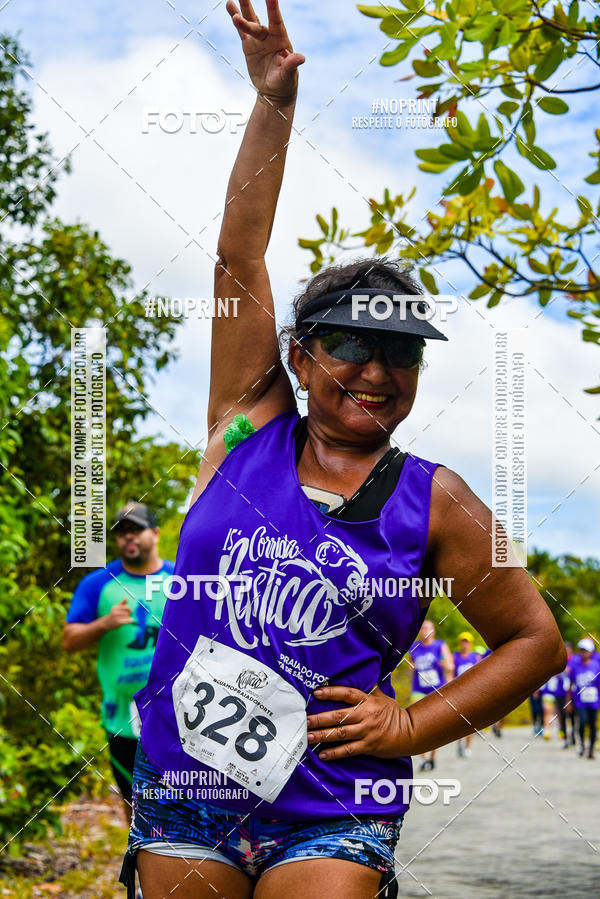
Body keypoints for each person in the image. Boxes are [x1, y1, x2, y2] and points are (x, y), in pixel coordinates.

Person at [118, 3, 566, 898]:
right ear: (299, 354)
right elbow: (237, 257)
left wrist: (411, 725)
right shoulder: (243, 423)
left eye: (401, 349)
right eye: (351, 344)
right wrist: (273, 103)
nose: (376, 369)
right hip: (187, 794)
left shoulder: (437, 500)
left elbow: (535, 640)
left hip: (333, 810)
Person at [63, 502, 173, 820]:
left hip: (176, 713)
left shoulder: (179, 579)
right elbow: (69, 641)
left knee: (185, 802)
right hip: (122, 720)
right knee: (135, 805)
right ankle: (139, 865)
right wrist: (103, 624)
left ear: (154, 533)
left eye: (136, 529)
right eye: (122, 532)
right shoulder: (98, 584)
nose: (129, 538)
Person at [408, 621, 454, 769]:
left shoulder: (440, 646)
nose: (425, 630)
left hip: (436, 689)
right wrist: (412, 667)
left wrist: (445, 664)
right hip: (419, 689)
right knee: (416, 723)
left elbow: (450, 667)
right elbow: (411, 665)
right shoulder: (414, 646)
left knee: (434, 725)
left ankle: (432, 758)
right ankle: (423, 758)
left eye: (428, 627)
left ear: (433, 631)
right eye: (422, 628)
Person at [567, 637, 600, 759]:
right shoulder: (576, 666)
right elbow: (570, 685)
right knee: (581, 722)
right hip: (580, 701)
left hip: (594, 701)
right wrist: (568, 702)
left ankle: (591, 749)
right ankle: (581, 744)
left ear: (591, 652)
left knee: (592, 725)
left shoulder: (596, 666)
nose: (583, 653)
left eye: (585, 650)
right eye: (581, 650)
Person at [453, 633, 480, 757]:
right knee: (459, 722)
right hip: (458, 693)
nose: (465, 644)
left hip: (472, 693)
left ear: (470, 644)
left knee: (471, 722)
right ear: (460, 643)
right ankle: (459, 742)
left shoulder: (475, 657)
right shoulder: (455, 657)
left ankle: (468, 746)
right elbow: (451, 673)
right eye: (463, 642)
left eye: (467, 642)